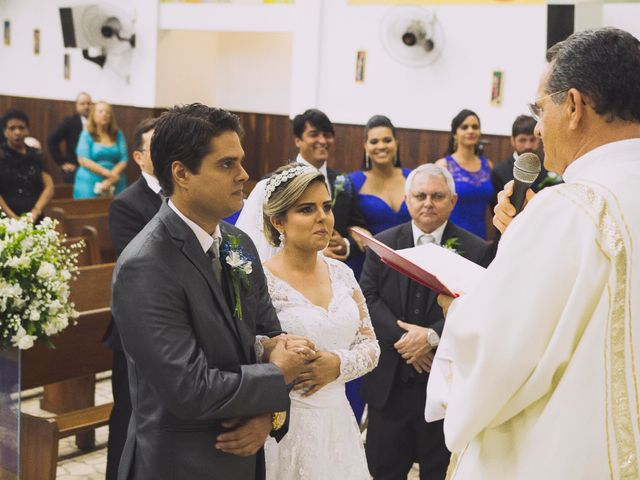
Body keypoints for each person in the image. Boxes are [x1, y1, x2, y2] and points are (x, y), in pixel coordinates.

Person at [427, 28, 640, 479]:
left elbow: (501, 358)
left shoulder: (569, 208)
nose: (538, 129)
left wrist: (460, 310)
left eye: (540, 109)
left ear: (576, 106)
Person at [111, 104, 312, 480]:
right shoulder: (146, 265)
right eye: (226, 165)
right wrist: (277, 372)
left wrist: (267, 416)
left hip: (245, 456)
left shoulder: (238, 244)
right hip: (181, 464)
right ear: (181, 173)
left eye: (241, 161)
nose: (244, 174)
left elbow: (270, 334)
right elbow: (188, 388)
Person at [360, 163, 491, 480]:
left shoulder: (477, 250)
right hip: (390, 386)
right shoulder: (383, 244)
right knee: (384, 470)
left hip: (445, 387)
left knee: (438, 472)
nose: (428, 203)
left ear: (453, 201)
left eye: (437, 196)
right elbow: (368, 297)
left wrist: (431, 336)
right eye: (420, 196)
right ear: (407, 199)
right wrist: (406, 341)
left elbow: (482, 306)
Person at [261, 163, 379, 479]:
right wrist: (271, 349)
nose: (322, 218)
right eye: (306, 209)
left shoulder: (342, 273)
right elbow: (247, 348)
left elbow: (371, 346)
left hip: (338, 420)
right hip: (284, 425)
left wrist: (338, 364)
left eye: (326, 207)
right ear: (278, 221)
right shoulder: (261, 279)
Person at [104, 117, 161, 480]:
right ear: (139, 157)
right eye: (157, 144)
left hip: (176, 327)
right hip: (134, 329)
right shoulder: (127, 204)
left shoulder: (187, 194)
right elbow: (137, 267)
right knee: (127, 416)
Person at [236, 109, 369, 263]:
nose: (323, 140)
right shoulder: (275, 184)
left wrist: (345, 245)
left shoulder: (343, 181)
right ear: (298, 140)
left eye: (327, 135)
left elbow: (359, 227)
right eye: (314, 135)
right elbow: (268, 237)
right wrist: (317, 253)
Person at [436, 109, 493, 239]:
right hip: (452, 237)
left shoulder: (487, 165)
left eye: (475, 127)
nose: (470, 131)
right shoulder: (443, 165)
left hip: (480, 236)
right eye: (464, 127)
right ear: (455, 134)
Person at [490, 114, 560, 207]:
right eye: (522, 140)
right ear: (513, 141)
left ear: (539, 140)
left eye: (532, 140)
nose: (528, 146)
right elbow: (496, 208)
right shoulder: (499, 171)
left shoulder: (550, 167)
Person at [0, 109, 54, 222]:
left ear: (27, 130)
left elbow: (49, 187)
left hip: (34, 218)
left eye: (21, 128)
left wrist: (34, 213)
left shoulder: (36, 155)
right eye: (12, 128)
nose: (17, 132)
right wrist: (12, 217)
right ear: (5, 132)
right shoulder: (1, 156)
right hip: (4, 218)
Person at [73, 101, 127, 199]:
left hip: (116, 181)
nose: (105, 114)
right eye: (100, 111)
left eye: (108, 112)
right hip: (89, 182)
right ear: (93, 115)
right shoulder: (86, 134)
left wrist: (111, 179)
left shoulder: (118, 134)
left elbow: (124, 159)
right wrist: (109, 174)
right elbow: (83, 160)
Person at [47, 92, 92, 183]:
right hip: (75, 169)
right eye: (82, 104)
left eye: (88, 103)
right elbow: (51, 140)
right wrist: (62, 162)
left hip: (95, 169)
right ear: (76, 106)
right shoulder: (70, 121)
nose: (86, 106)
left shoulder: (99, 123)